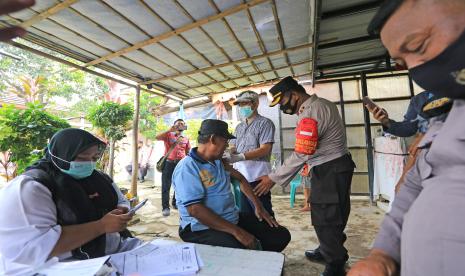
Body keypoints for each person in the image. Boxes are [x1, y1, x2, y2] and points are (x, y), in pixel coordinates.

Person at [348, 0, 465, 275]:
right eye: (402, 63)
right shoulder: (428, 104)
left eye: (418, 46)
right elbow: (410, 136)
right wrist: (383, 253)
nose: (416, 68)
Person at [0, 128, 141, 275]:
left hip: (110, 256)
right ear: (62, 154)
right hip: (56, 268)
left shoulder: (99, 178)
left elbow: (120, 199)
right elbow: (35, 246)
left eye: (94, 158)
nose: (90, 164)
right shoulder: (32, 188)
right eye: (82, 157)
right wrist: (101, 226)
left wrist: (121, 209)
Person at [255, 76, 355, 276]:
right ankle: (328, 249)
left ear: (294, 94)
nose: (282, 108)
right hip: (335, 166)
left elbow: (302, 152)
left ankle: (335, 263)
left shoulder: (311, 111)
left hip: (329, 169)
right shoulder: (322, 104)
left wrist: (273, 177)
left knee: (325, 216)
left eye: (282, 101)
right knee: (336, 212)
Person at [173, 119, 291, 252]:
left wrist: (258, 206)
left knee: (280, 235)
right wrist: (238, 232)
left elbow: (240, 179)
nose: (227, 146)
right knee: (242, 249)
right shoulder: (188, 167)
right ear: (213, 139)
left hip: (230, 218)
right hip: (201, 228)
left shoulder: (219, 162)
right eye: (225, 141)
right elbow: (195, 210)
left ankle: (258, 259)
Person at [224, 90, 276, 216]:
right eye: (240, 105)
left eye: (245, 103)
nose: (242, 107)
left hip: (257, 176)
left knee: (262, 210)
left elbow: (265, 149)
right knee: (244, 211)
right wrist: (227, 153)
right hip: (240, 175)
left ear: (256, 104)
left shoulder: (265, 123)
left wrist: (240, 157)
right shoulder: (239, 127)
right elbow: (233, 146)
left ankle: (269, 234)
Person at [155, 119, 191, 216]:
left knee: (179, 185)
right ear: (174, 126)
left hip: (181, 164)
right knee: (166, 186)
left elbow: (188, 152)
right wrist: (169, 130)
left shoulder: (186, 138)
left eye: (182, 124)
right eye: (178, 124)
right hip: (169, 163)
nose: (180, 125)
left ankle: (175, 203)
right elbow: (157, 137)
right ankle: (165, 207)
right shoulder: (168, 135)